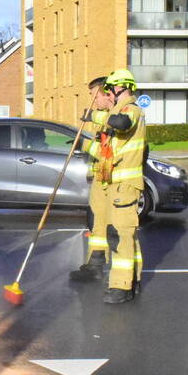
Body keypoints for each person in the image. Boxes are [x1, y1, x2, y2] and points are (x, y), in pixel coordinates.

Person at [69, 69, 146, 304]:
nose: (108, 94)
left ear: (119, 88)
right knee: (100, 226)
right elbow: (105, 152)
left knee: (120, 234)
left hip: (124, 185)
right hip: (108, 182)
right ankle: (98, 267)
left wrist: (94, 116)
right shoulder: (112, 114)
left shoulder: (131, 111)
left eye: (109, 89)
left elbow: (122, 124)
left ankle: (123, 285)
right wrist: (82, 144)